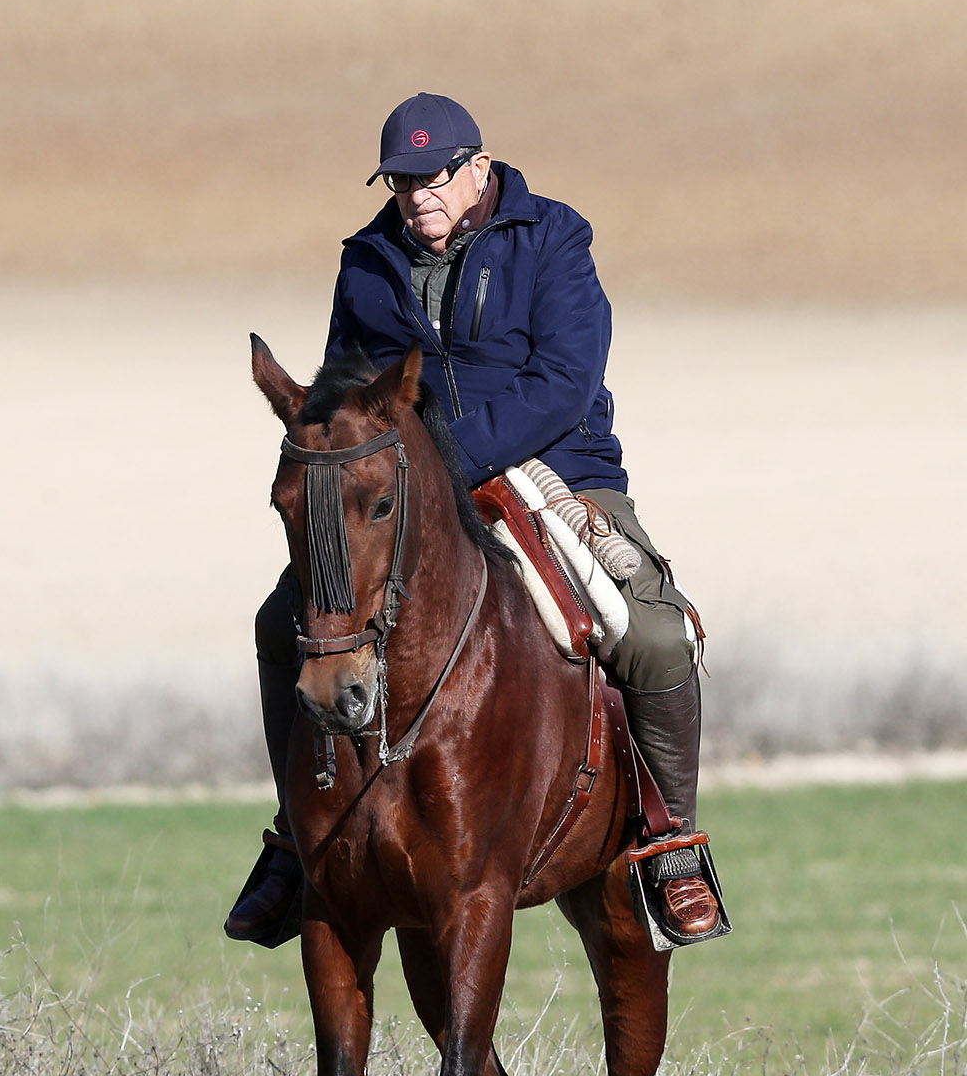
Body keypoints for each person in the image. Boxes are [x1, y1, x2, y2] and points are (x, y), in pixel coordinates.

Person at [226, 93, 720, 944]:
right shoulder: (367, 258)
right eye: (404, 179)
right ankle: (292, 839)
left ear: (478, 169)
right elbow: (349, 380)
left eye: (436, 175)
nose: (419, 193)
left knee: (653, 633)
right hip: (407, 492)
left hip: (556, 469)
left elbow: (565, 379)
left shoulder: (554, 238)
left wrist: (448, 455)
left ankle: (669, 841)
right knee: (286, 623)